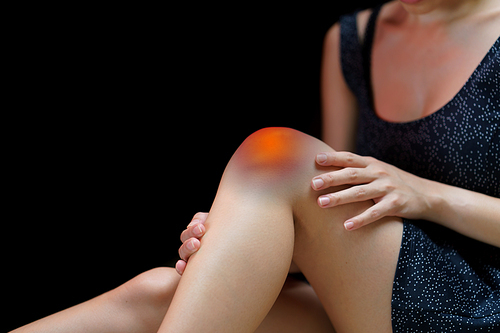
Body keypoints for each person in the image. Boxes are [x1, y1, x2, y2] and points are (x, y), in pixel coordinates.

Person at [11, 0, 499, 332]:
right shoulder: (353, 40)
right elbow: (329, 200)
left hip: (484, 300)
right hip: (382, 290)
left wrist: (427, 195)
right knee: (158, 290)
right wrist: (248, 233)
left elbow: (310, 176)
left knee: (279, 155)